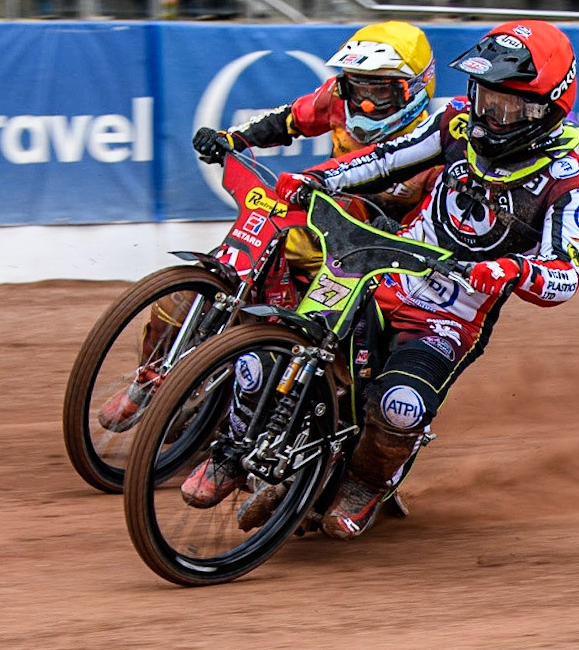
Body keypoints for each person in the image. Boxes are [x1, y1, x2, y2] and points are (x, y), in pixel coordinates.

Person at [182, 20, 579, 541]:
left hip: (450, 316)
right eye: (485, 96)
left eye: (508, 105)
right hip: (382, 271)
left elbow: (566, 274)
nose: (491, 113)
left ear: (547, 107)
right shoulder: (456, 123)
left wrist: (509, 271)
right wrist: (314, 180)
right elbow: (384, 159)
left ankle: (365, 482)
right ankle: (232, 451)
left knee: (400, 406)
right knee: (273, 347)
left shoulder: (570, 184)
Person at [96, 22, 440, 432]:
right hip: (306, 229)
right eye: (356, 87)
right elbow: (286, 121)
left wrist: (396, 226)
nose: (363, 102)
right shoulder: (334, 100)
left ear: (415, 88)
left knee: (347, 361)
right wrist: (232, 139)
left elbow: (439, 224)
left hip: (367, 263)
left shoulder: (434, 144)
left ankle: (331, 434)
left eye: (379, 90)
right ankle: (150, 380)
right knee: (194, 292)